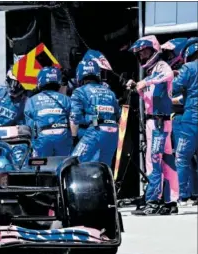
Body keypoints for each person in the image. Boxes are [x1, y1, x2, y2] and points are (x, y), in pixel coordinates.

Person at [127, 35, 179, 215]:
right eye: (140, 54)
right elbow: (149, 100)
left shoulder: (161, 67)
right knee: (166, 161)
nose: (142, 56)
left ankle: (154, 201)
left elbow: (168, 74)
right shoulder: (151, 73)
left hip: (158, 122)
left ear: (154, 50)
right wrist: (138, 88)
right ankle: (171, 201)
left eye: (145, 52)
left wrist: (145, 82)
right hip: (155, 121)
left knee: (154, 161)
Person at [70, 60, 120, 165]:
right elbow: (118, 115)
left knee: (73, 163)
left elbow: (75, 117)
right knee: (103, 167)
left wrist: (73, 139)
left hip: (96, 130)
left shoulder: (79, 91)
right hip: (113, 132)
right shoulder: (110, 92)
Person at [172, 38, 198, 206]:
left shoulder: (188, 67)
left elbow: (174, 88)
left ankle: (183, 196)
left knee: (182, 157)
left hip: (192, 117)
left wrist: (172, 76)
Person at [24, 66, 72, 157]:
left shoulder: (32, 101)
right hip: (63, 137)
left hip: (42, 137)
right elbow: (73, 120)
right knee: (63, 165)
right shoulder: (66, 99)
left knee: (40, 167)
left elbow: (29, 125)